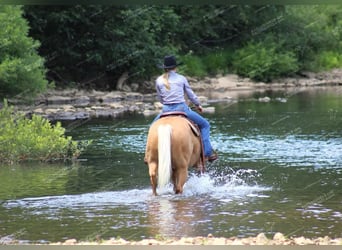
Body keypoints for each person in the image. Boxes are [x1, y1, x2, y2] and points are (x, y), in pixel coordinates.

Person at [153, 55, 218, 162]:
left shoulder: (159, 80)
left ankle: (149, 155)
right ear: (175, 67)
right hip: (181, 109)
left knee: (152, 128)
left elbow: (160, 98)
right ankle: (208, 153)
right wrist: (198, 105)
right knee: (205, 124)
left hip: (165, 110)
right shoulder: (181, 78)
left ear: (164, 68)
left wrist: (167, 104)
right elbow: (191, 95)